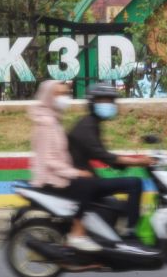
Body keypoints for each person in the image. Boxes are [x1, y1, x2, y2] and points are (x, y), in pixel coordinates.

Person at [67, 83, 152, 240]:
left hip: (85, 179)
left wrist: (121, 164)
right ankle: (131, 233)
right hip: (82, 182)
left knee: (116, 202)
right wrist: (138, 161)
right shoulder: (87, 125)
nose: (109, 104)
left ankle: (112, 233)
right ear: (93, 103)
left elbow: (102, 154)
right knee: (134, 183)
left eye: (110, 101)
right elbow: (103, 155)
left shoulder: (91, 123)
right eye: (104, 101)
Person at [29, 81, 101, 251]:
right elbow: (49, 160)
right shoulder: (47, 122)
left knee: (90, 180)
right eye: (58, 94)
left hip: (57, 176)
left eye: (65, 93)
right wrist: (75, 173)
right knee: (87, 185)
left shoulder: (53, 119)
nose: (64, 98)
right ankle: (77, 233)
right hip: (51, 179)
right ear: (48, 97)